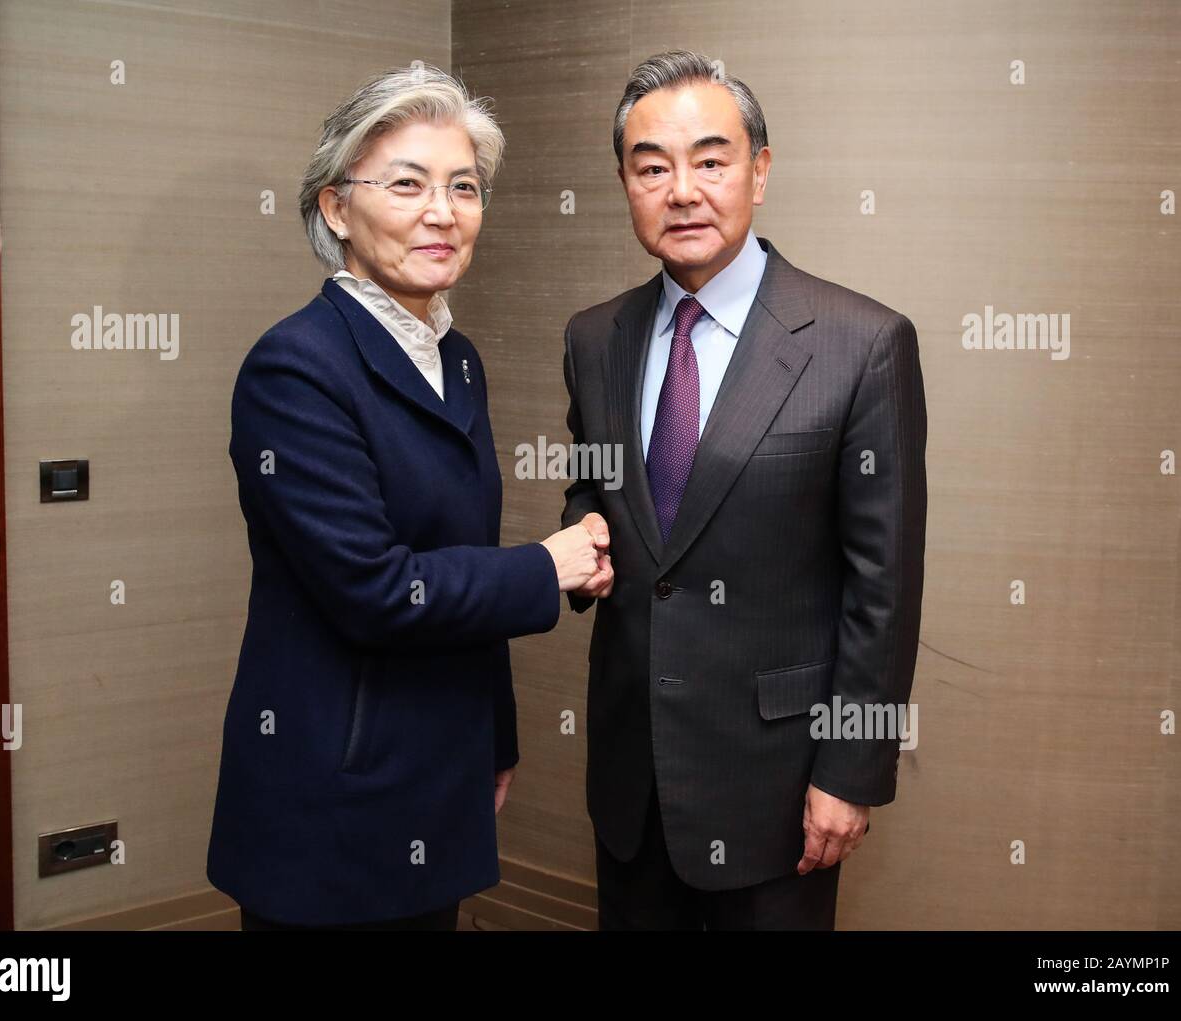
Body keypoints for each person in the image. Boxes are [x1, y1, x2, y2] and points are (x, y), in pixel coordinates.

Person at [206, 64, 604, 931]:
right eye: (408, 183)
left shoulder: (454, 356)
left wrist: (492, 736)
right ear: (335, 209)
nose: (442, 211)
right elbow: (375, 589)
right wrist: (547, 565)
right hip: (332, 791)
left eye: (464, 187)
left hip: (437, 769)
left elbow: (457, 548)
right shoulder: (296, 368)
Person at [561, 50, 928, 930]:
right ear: (625, 183)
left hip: (779, 784)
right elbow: (595, 487)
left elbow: (885, 587)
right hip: (632, 777)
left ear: (759, 172)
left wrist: (850, 770)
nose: (682, 189)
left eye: (711, 160)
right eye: (652, 167)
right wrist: (586, 535)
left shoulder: (862, 344)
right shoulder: (594, 336)